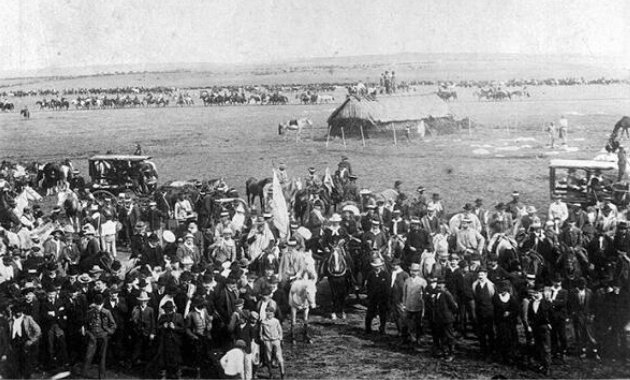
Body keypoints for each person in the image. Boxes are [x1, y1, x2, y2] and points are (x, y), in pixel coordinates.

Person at [82, 294, 117, 379]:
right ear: (94, 303)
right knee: (88, 355)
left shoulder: (107, 312)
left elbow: (113, 325)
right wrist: (88, 333)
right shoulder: (90, 312)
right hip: (92, 336)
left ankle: (101, 376)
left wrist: (108, 332)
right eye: (97, 304)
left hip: (103, 336)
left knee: (102, 357)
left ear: (103, 304)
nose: (98, 306)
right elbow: (85, 324)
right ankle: (84, 374)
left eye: (100, 304)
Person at [9, 302, 41, 379]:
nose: (18, 313)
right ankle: (18, 376)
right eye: (16, 312)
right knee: (16, 360)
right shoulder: (11, 320)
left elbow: (38, 330)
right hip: (15, 342)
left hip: (25, 341)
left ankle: (27, 376)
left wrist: (32, 340)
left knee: (26, 360)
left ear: (22, 311)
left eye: (19, 311)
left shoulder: (27, 318)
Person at [527, 284, 553, 376]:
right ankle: (542, 364)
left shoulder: (547, 303)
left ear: (541, 293)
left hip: (544, 327)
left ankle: (548, 367)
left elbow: (551, 315)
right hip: (535, 328)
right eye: (534, 293)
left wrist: (549, 324)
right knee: (539, 347)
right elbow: (530, 315)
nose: (536, 295)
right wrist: (530, 325)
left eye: (537, 293)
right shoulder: (531, 303)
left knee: (546, 348)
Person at [156, 300, 185, 379]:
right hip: (165, 340)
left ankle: (178, 374)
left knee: (176, 358)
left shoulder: (178, 316)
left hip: (175, 341)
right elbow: (157, 327)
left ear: (172, 309)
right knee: (164, 357)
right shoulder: (162, 317)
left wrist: (175, 327)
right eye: (166, 310)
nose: (167, 312)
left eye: (168, 310)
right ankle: (164, 375)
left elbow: (183, 329)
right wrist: (163, 327)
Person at [432, 277, 458, 362]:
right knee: (442, 337)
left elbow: (454, 307)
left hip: (447, 319)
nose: (439, 285)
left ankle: (452, 353)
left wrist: (449, 315)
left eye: (441, 284)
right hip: (439, 319)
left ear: (444, 285)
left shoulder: (447, 294)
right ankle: (445, 353)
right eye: (438, 283)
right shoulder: (437, 293)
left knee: (449, 336)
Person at [402, 263, 426, 349]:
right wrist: (404, 304)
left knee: (418, 323)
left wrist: (423, 309)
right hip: (408, 305)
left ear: (419, 271)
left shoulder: (422, 282)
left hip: (418, 306)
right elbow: (404, 294)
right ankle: (407, 338)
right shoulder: (407, 281)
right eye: (412, 271)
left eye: (416, 271)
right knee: (407, 323)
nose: (413, 273)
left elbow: (424, 296)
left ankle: (418, 339)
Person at [365, 257, 391, 335]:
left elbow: (387, 287)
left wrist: (386, 298)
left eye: (378, 265)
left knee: (383, 313)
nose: (377, 267)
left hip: (382, 297)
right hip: (373, 297)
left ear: (381, 266)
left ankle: (382, 328)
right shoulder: (370, 274)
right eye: (375, 266)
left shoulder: (385, 275)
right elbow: (368, 286)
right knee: (370, 312)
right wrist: (370, 295)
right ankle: (368, 328)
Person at [260, 306, 285, 379]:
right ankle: (270, 373)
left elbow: (280, 330)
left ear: (273, 314)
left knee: (279, 357)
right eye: (267, 314)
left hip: (276, 340)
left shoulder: (276, 321)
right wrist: (263, 339)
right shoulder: (263, 322)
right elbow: (261, 333)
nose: (269, 315)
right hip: (267, 341)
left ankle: (282, 373)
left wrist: (280, 338)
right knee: (268, 358)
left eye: (271, 314)